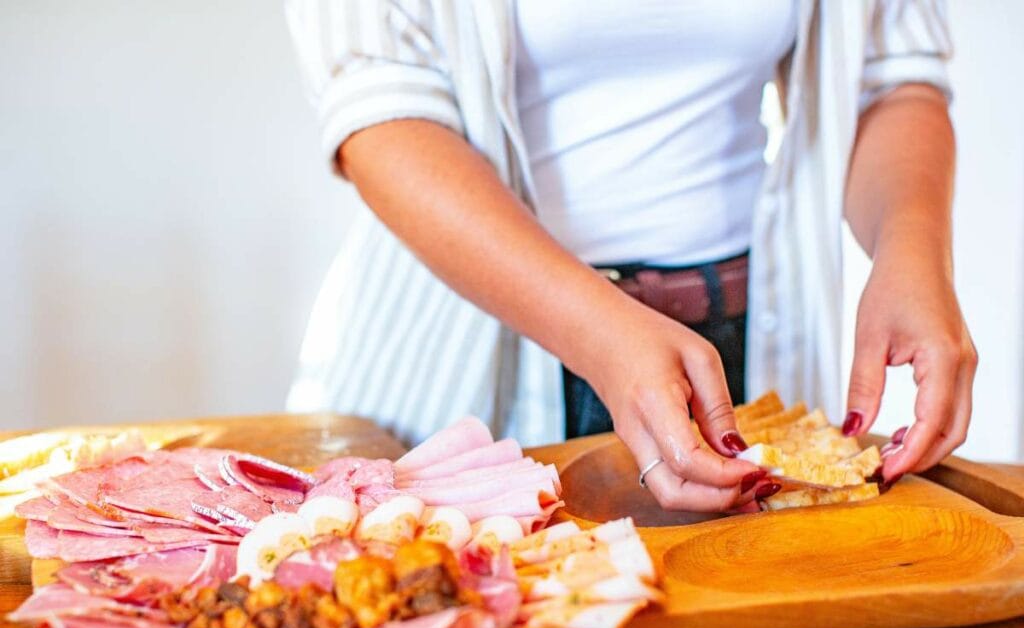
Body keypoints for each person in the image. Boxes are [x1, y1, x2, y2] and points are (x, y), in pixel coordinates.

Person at [283, 1, 976, 513]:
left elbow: (890, 81)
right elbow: (380, 116)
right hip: (472, 360)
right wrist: (600, 332)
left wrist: (913, 252)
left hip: (747, 355)